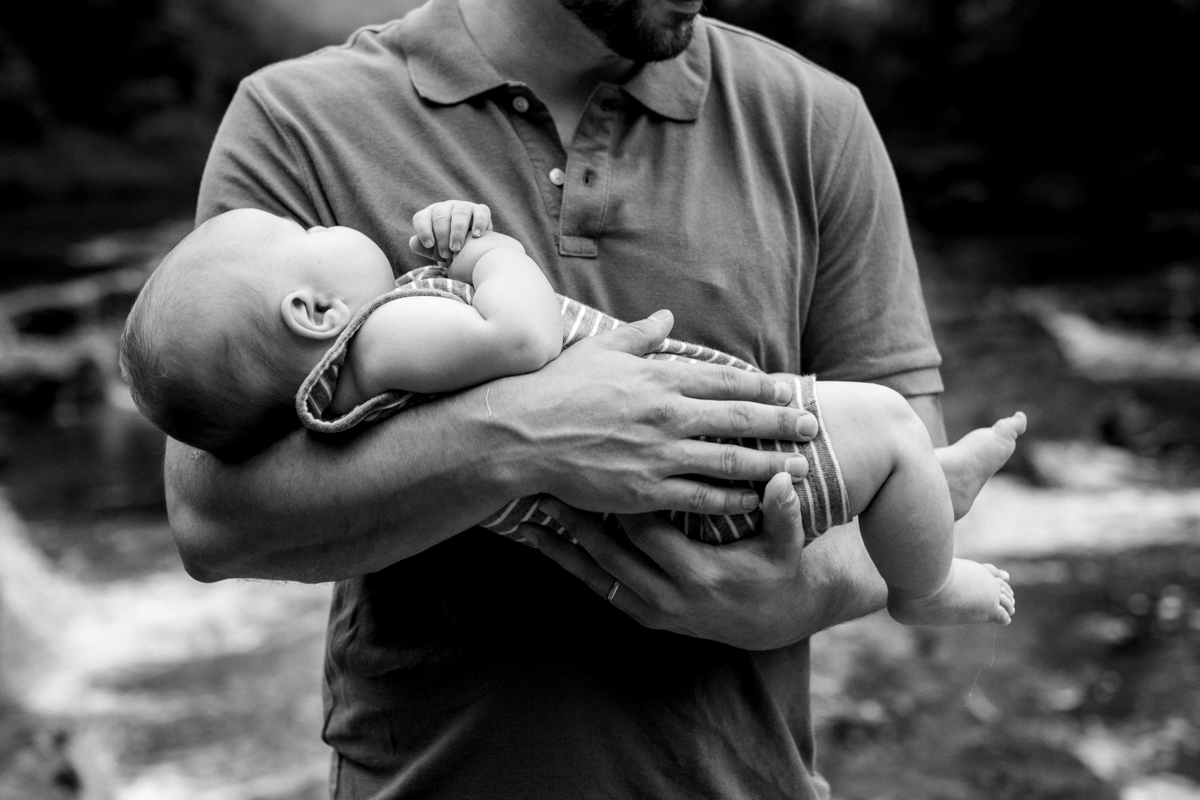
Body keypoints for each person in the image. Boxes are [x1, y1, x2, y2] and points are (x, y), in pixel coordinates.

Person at [168, 0, 964, 796]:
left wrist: (795, 596)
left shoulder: (816, 118)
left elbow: (920, 471)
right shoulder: (296, 120)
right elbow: (211, 519)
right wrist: (526, 437)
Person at [127, 201, 1021, 626]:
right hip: (710, 465)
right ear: (312, 312)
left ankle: (923, 494)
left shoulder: (352, 371)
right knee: (890, 423)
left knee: (892, 451)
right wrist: (494, 254)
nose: (326, 228)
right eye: (305, 234)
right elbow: (519, 338)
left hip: (688, 498)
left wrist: (799, 599)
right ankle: (926, 583)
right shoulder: (384, 334)